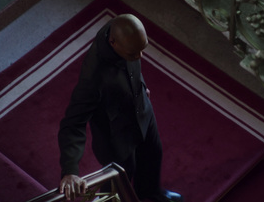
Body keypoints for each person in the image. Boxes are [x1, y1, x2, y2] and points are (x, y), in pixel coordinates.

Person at [58, 13, 183, 202]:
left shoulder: (123, 33)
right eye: (133, 54)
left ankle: (151, 195)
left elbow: (132, 64)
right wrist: (70, 170)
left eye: (142, 49)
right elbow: (73, 124)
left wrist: (139, 87)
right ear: (113, 43)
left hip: (142, 112)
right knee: (120, 179)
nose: (139, 56)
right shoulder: (93, 79)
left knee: (152, 154)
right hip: (116, 135)